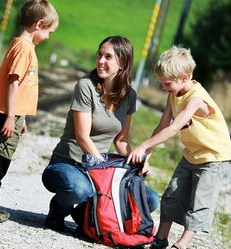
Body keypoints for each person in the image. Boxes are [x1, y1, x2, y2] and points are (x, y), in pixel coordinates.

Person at [127, 46, 231, 249]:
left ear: (185, 77)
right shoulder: (174, 94)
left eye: (167, 83)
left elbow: (174, 127)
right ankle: (160, 239)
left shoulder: (196, 99)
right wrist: (147, 151)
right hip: (192, 154)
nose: (163, 87)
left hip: (213, 158)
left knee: (199, 202)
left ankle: (182, 245)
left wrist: (142, 146)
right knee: (172, 194)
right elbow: (163, 124)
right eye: (161, 83)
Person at [42, 36, 159, 232]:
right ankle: (57, 212)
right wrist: (104, 168)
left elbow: (121, 140)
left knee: (150, 199)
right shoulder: (85, 86)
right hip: (68, 164)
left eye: (108, 57)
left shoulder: (129, 95)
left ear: (122, 64)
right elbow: (82, 137)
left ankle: (84, 216)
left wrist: (138, 162)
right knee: (79, 189)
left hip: (99, 171)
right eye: (100, 55)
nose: (101, 61)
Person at [0, 0, 59, 223]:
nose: (48, 36)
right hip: (4, 114)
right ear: (39, 24)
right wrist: (10, 115)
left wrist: (21, 115)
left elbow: (24, 90)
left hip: (14, 114)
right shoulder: (23, 48)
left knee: (3, 159)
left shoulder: (28, 48)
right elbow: (13, 83)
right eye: (49, 31)